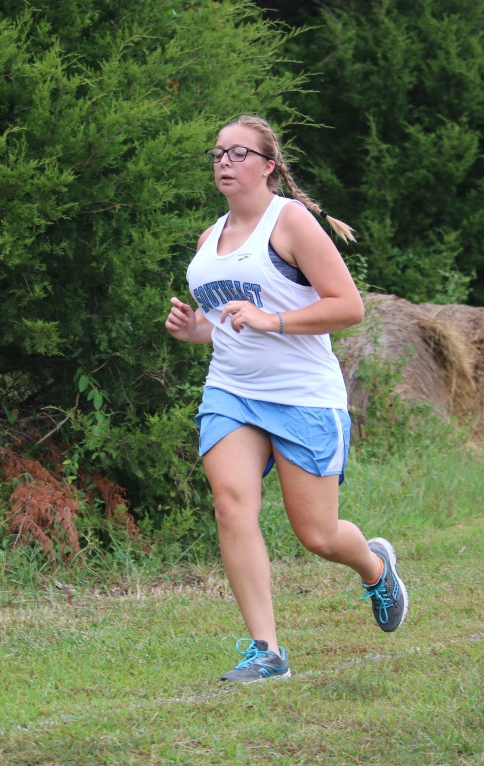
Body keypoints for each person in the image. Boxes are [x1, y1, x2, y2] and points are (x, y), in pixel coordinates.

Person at [165, 115, 409, 682]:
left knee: (317, 535)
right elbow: (223, 324)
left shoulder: (290, 221)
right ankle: (266, 652)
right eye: (218, 153)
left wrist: (272, 319)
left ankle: (375, 567)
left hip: (302, 396)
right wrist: (194, 329)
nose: (224, 162)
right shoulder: (210, 237)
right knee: (231, 506)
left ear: (268, 165)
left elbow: (349, 306)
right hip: (231, 392)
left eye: (239, 153)